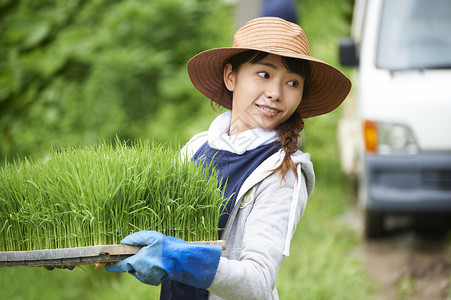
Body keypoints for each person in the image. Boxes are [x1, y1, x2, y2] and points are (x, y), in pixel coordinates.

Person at [106, 17, 351, 300]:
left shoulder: (282, 171)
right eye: (264, 74)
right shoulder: (195, 150)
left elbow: (257, 281)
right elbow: (155, 231)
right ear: (230, 76)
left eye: (292, 82)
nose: (275, 93)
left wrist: (182, 260)